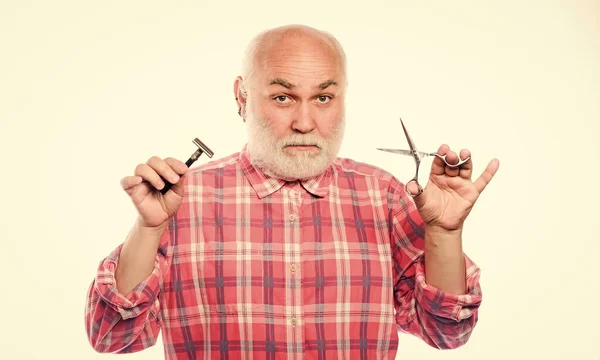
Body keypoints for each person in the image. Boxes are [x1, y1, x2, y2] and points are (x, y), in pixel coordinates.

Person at [84, 24, 500, 359]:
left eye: (323, 97)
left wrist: (444, 236)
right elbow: (110, 337)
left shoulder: (385, 196)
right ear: (242, 97)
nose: (305, 121)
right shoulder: (181, 199)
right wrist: (147, 228)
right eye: (283, 97)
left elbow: (446, 333)